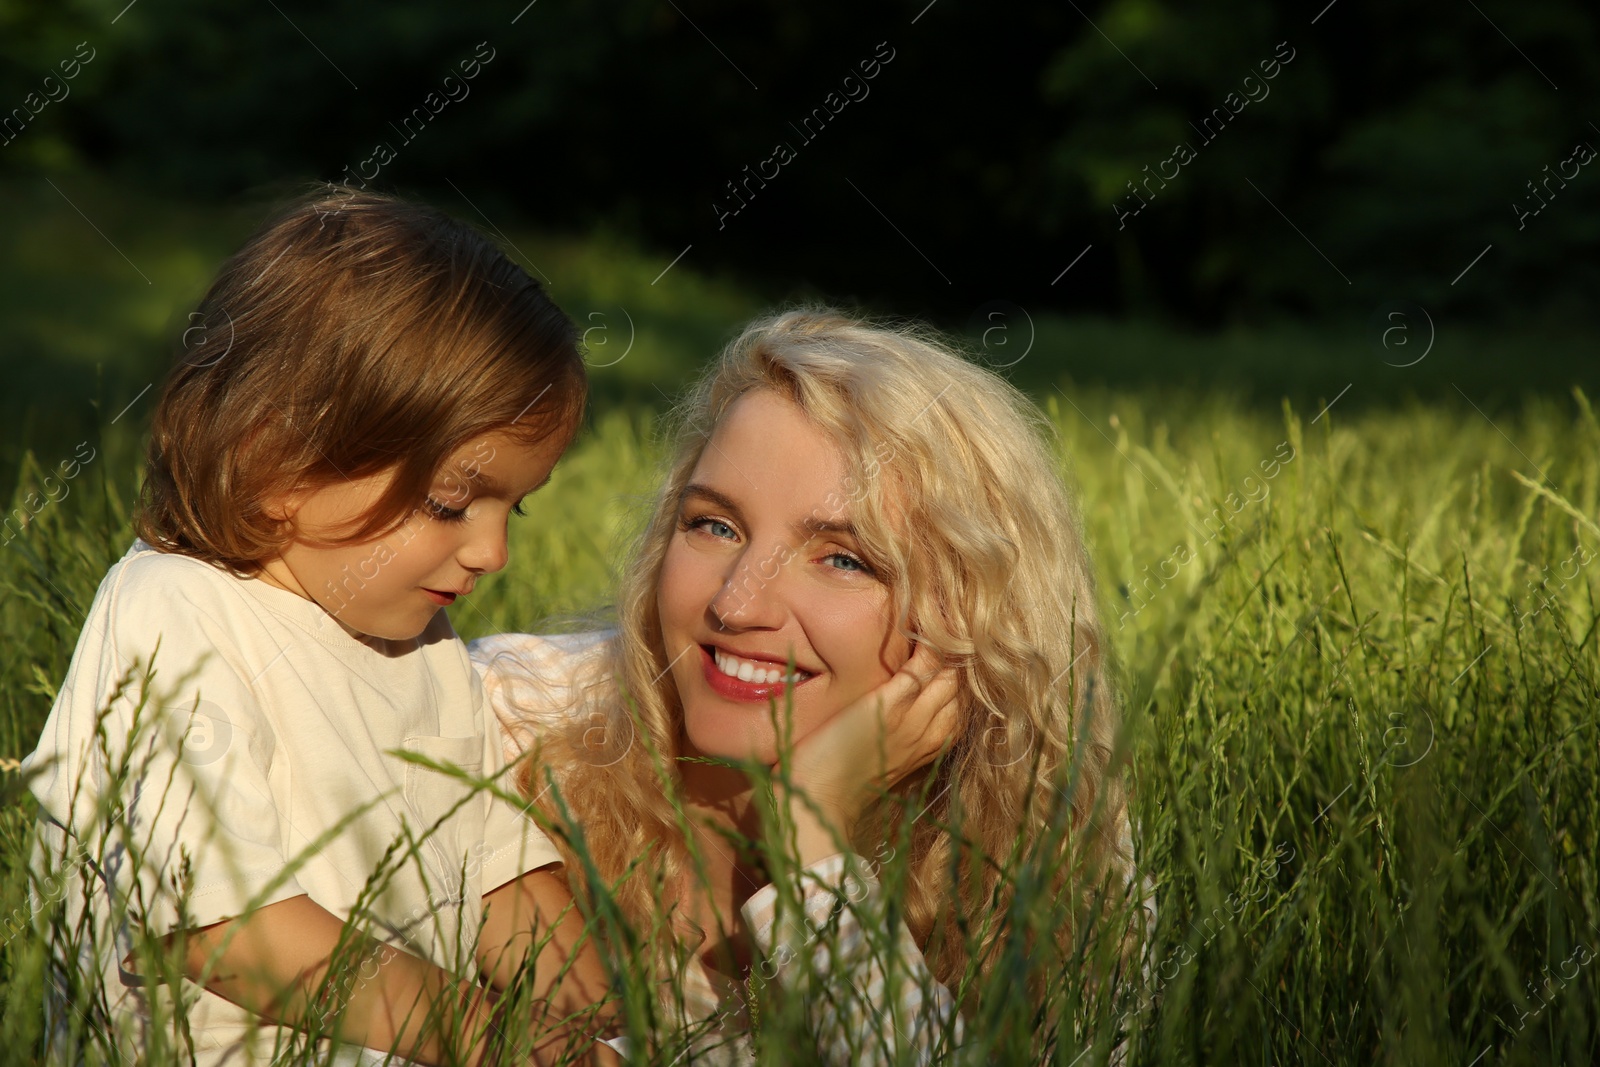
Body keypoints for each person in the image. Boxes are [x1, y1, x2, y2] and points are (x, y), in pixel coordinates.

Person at [22, 187, 615, 1065]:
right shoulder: (176, 611)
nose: (490, 551)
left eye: (512, 511)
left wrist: (617, 1023)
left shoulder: (420, 647)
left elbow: (499, 876)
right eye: (449, 502)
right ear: (275, 460)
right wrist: (495, 1037)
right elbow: (225, 928)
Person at [473, 308, 1143, 1063]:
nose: (735, 604)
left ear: (972, 615)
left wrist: (814, 852)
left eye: (843, 559)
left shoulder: (1048, 851)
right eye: (715, 526)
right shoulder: (504, 717)